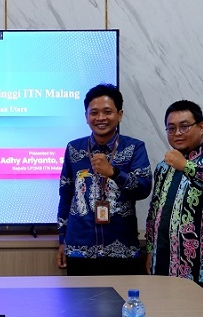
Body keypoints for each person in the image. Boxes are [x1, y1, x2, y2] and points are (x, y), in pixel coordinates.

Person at [145, 100, 203, 306]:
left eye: (184, 126)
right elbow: (154, 212)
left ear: (201, 126)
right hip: (164, 267)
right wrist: (150, 250)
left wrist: (187, 166)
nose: (177, 133)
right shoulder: (163, 167)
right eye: (171, 128)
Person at [56, 83, 152, 275]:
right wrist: (62, 239)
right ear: (86, 117)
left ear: (120, 114)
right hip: (79, 251)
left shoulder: (134, 148)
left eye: (107, 112)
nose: (100, 118)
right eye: (94, 113)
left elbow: (143, 188)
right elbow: (66, 195)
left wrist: (114, 173)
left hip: (123, 251)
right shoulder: (74, 149)